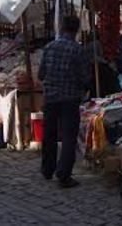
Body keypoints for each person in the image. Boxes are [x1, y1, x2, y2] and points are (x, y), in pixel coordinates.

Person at [38, 16, 88, 188]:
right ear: (76, 30)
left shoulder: (49, 47)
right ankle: (63, 174)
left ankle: (47, 168)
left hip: (50, 97)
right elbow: (84, 76)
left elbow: (41, 74)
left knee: (49, 134)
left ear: (61, 27)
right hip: (69, 98)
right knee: (68, 137)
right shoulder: (77, 50)